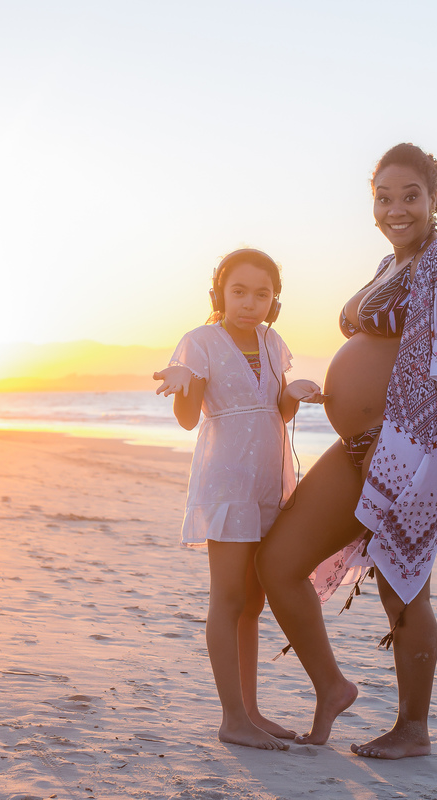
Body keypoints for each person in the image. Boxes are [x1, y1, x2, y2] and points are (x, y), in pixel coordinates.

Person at [256, 144, 437, 759]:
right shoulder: (388, 265)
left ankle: (413, 729)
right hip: (356, 445)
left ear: (434, 199)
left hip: (414, 447)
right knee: (278, 562)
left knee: (403, 584)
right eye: (384, 197)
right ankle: (333, 686)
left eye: (410, 196)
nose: (396, 208)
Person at [153, 249, 324, 751]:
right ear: (219, 294)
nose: (250, 303)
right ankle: (232, 718)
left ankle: (251, 711)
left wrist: (294, 391)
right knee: (227, 599)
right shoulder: (199, 342)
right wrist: (184, 383)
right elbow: (189, 418)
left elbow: (275, 414)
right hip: (225, 484)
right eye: (239, 291)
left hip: (267, 485)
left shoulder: (273, 343)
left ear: (275, 302)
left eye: (262, 294)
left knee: (253, 602)